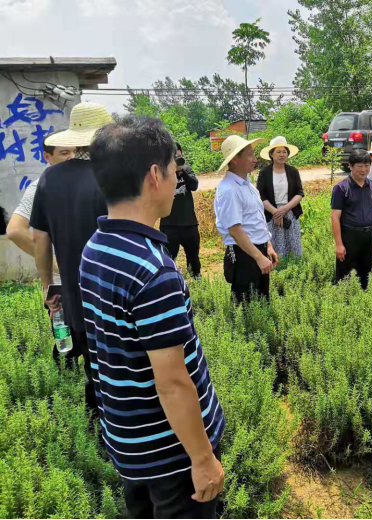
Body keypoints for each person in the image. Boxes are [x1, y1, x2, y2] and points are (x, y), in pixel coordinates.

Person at [85, 115, 226, 518]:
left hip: (131, 444)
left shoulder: (95, 247)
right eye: (171, 169)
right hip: (173, 456)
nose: (174, 177)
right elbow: (173, 383)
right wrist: (201, 459)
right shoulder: (153, 272)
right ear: (154, 175)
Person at [30, 102, 112, 414]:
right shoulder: (111, 179)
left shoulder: (49, 179)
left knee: (90, 368)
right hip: (108, 293)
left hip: (72, 295)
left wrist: (49, 286)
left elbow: (40, 238)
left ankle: (95, 427)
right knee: (115, 368)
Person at [214, 135, 279, 302]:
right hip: (244, 254)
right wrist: (258, 257)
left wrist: (268, 246)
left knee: (262, 302)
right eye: (250, 154)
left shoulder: (248, 186)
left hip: (258, 250)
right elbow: (235, 230)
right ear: (235, 159)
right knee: (246, 307)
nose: (254, 159)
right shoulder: (229, 189)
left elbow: (257, 219)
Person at [7, 133, 74, 257]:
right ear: (47, 157)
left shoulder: (93, 180)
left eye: (76, 152)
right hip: (67, 273)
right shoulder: (41, 187)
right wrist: (55, 265)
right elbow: (15, 230)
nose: (72, 157)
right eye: (64, 153)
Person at [331, 149, 372, 289]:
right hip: (349, 237)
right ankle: (343, 304)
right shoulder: (341, 188)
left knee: (365, 274)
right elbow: (335, 217)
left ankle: (362, 301)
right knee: (344, 276)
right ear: (350, 166)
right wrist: (339, 244)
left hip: (368, 237)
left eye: (367, 166)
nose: (364, 170)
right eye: (359, 166)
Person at [257, 136, 305, 258]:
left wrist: (285, 209)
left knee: (293, 245)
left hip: (290, 211)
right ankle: (276, 268)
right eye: (278, 152)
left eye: (284, 152)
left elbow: (299, 193)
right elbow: (260, 196)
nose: (282, 154)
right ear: (271, 154)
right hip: (271, 212)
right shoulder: (264, 173)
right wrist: (276, 213)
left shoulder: (293, 171)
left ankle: (294, 267)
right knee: (274, 244)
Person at [159, 142, 201, 277]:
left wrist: (182, 171)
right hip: (169, 225)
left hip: (189, 224)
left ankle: (197, 283)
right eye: (174, 156)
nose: (178, 159)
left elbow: (194, 186)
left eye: (179, 155)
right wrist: (171, 172)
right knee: (168, 260)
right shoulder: (162, 173)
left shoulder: (187, 169)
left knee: (194, 260)